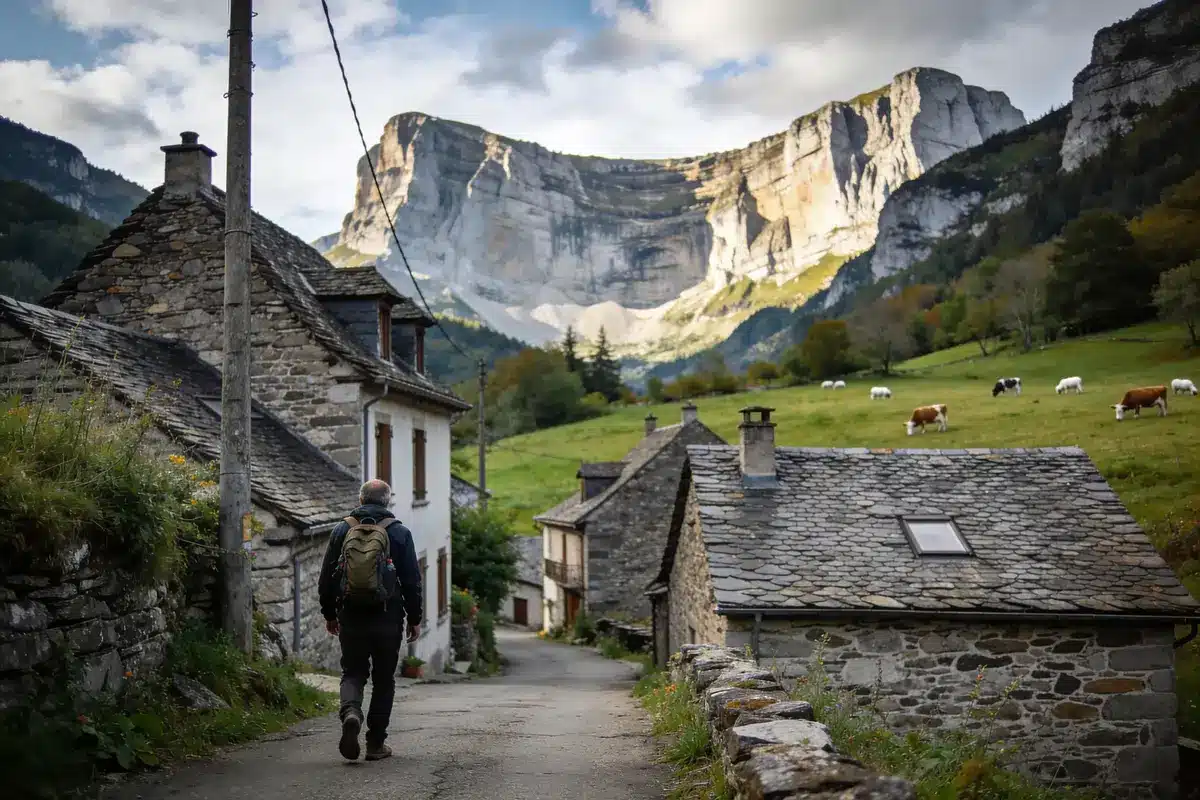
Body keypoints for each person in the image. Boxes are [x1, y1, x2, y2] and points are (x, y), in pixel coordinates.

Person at [318, 479, 423, 762]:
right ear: (387, 501)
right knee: (384, 680)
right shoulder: (400, 532)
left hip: (351, 615)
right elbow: (412, 580)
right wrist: (415, 619)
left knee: (353, 673)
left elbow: (327, 578)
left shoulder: (342, 529)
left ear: (361, 499)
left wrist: (329, 613)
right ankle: (376, 744)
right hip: (388, 618)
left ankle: (351, 712)